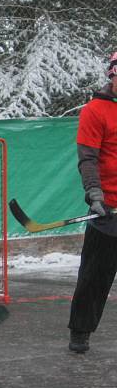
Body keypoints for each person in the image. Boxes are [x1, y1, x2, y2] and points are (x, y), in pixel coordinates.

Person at [68, 51, 117, 354]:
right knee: (94, 278)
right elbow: (88, 159)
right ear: (112, 75)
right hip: (108, 208)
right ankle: (80, 332)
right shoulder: (94, 111)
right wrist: (95, 195)